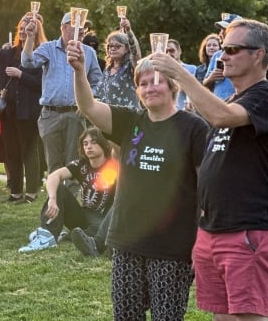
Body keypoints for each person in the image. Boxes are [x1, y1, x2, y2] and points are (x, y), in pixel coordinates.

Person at [152, 18, 268, 320]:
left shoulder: (265, 96)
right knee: (222, 316)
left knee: (246, 316)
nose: (222, 56)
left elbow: (221, 117)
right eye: (222, 49)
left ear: (259, 55)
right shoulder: (231, 99)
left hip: (249, 229)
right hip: (213, 228)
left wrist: (180, 74)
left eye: (232, 49)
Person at [69, 43, 209, 320]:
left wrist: (201, 238)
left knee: (166, 317)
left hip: (172, 244)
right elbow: (87, 106)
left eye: (156, 81)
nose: (149, 88)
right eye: (142, 83)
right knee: (126, 315)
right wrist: (78, 71)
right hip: (127, 239)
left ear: (172, 87)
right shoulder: (130, 121)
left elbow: (207, 188)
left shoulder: (193, 127)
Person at [0, 13, 43, 203]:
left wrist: (21, 75)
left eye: (26, 30)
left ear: (35, 31)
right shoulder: (7, 53)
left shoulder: (41, 54)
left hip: (28, 110)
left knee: (29, 150)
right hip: (7, 110)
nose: (22, 32)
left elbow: (40, 84)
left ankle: (32, 192)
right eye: (20, 29)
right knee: (12, 152)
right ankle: (16, 192)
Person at [22, 12, 102, 173]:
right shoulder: (48, 48)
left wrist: (87, 99)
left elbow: (98, 83)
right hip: (51, 115)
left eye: (84, 27)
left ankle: (69, 198)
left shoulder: (89, 52)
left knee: (74, 163)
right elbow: (28, 63)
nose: (82, 30)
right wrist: (30, 38)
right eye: (77, 26)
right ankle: (55, 198)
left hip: (76, 114)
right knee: (53, 164)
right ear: (64, 27)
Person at [18, 128, 117, 255]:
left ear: (104, 144)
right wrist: (52, 199)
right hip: (84, 215)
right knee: (59, 188)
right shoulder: (81, 165)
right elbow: (54, 176)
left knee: (102, 229)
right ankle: (47, 235)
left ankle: (71, 235)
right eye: (85, 144)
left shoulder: (114, 166)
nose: (89, 147)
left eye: (93, 142)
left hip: (104, 220)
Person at [96, 19, 141, 109]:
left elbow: (135, 52)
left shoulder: (130, 67)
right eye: (110, 46)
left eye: (117, 46)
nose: (113, 48)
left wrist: (128, 31)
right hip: (109, 118)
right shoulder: (107, 69)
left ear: (127, 49)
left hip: (129, 117)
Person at [203, 13, 242, 100]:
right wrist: (211, 78)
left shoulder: (245, 55)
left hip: (238, 104)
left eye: (225, 29)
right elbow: (205, 84)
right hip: (218, 104)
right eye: (221, 30)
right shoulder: (217, 55)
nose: (221, 33)